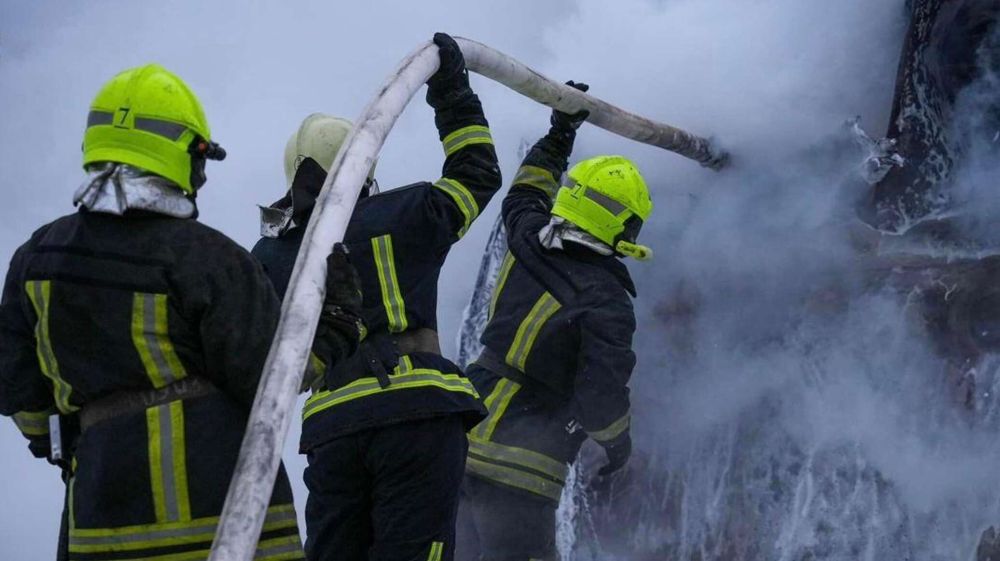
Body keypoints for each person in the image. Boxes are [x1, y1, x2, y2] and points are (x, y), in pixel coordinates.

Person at [0, 63, 364, 561]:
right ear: (183, 156)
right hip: (227, 524)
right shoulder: (210, 260)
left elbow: (19, 390)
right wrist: (337, 325)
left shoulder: (34, 261)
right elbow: (272, 381)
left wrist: (82, 442)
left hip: (100, 526)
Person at [251, 33, 502, 561]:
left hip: (335, 426)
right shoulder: (412, 212)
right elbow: (477, 171)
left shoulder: (270, 258)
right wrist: (452, 90)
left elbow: (261, 363)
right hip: (420, 413)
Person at [457, 82, 651, 561]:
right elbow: (599, 400)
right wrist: (618, 445)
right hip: (522, 469)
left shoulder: (526, 235)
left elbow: (526, 189)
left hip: (461, 437)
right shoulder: (607, 302)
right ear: (623, 225)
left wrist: (560, 132)